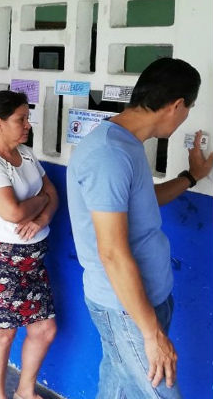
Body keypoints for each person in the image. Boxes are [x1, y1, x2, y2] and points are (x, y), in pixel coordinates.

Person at [66, 58, 213, 398]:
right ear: (177, 106)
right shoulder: (109, 154)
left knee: (118, 388)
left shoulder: (126, 145)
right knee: (160, 392)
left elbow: (146, 199)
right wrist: (151, 333)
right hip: (128, 308)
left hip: (143, 299)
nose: (185, 116)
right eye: (188, 108)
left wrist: (190, 177)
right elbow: (112, 253)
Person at [0, 91, 58, 399]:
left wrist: (42, 217)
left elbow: (52, 192)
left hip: (33, 259)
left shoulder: (27, 154)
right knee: (3, 333)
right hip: (1, 260)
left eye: (27, 118)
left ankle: (25, 391)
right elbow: (13, 212)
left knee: (44, 329)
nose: (27, 125)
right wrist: (41, 202)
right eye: (21, 119)